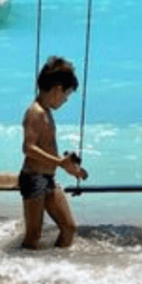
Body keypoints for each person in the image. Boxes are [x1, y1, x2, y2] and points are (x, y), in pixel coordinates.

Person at [18, 56, 88, 250]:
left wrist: (70, 168)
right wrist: (59, 162)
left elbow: (49, 150)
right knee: (34, 235)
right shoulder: (36, 112)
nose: (65, 100)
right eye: (66, 95)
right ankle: (18, 271)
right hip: (33, 178)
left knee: (69, 227)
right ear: (57, 88)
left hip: (48, 178)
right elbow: (28, 148)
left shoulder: (47, 112)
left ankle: (54, 269)